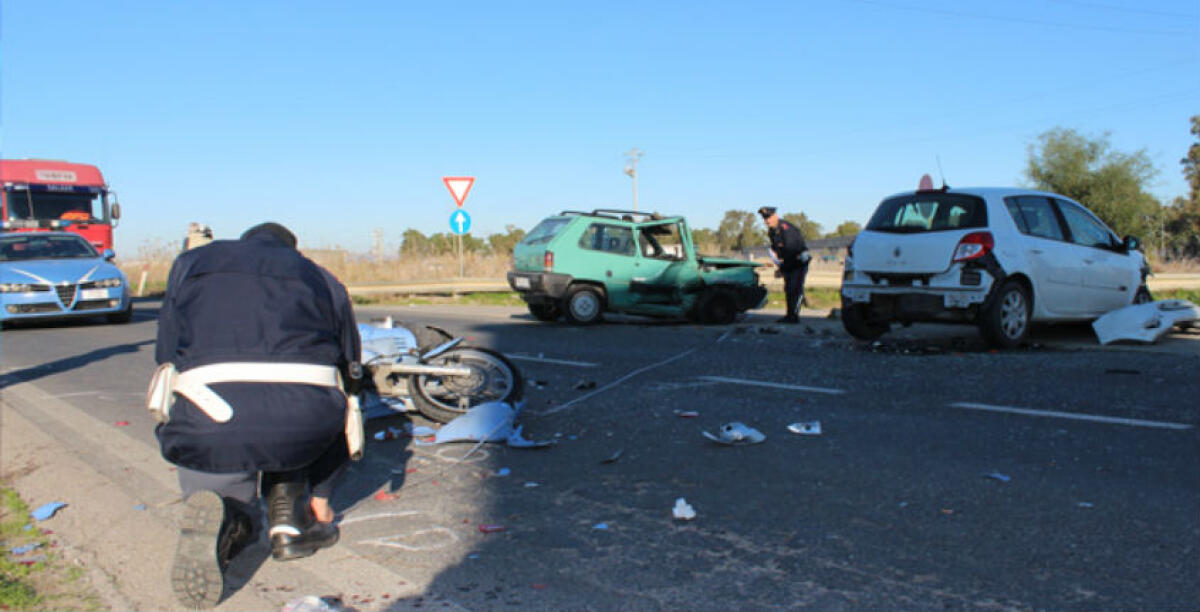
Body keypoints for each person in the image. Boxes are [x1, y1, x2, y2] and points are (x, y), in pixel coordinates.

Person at [150, 222, 361, 609]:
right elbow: (351, 365)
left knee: (217, 462)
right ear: (292, 250)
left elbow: (166, 352)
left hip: (210, 414)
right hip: (304, 421)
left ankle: (231, 518)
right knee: (321, 415)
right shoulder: (319, 276)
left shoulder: (193, 263)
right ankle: (299, 515)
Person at [759, 206, 810, 324]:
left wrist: (782, 269)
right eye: (765, 218)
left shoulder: (786, 229)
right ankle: (789, 315)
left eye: (769, 218)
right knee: (788, 288)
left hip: (798, 262)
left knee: (795, 288)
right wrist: (780, 266)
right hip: (788, 262)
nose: (767, 221)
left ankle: (794, 316)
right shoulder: (772, 231)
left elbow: (791, 251)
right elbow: (777, 250)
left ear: (775, 216)